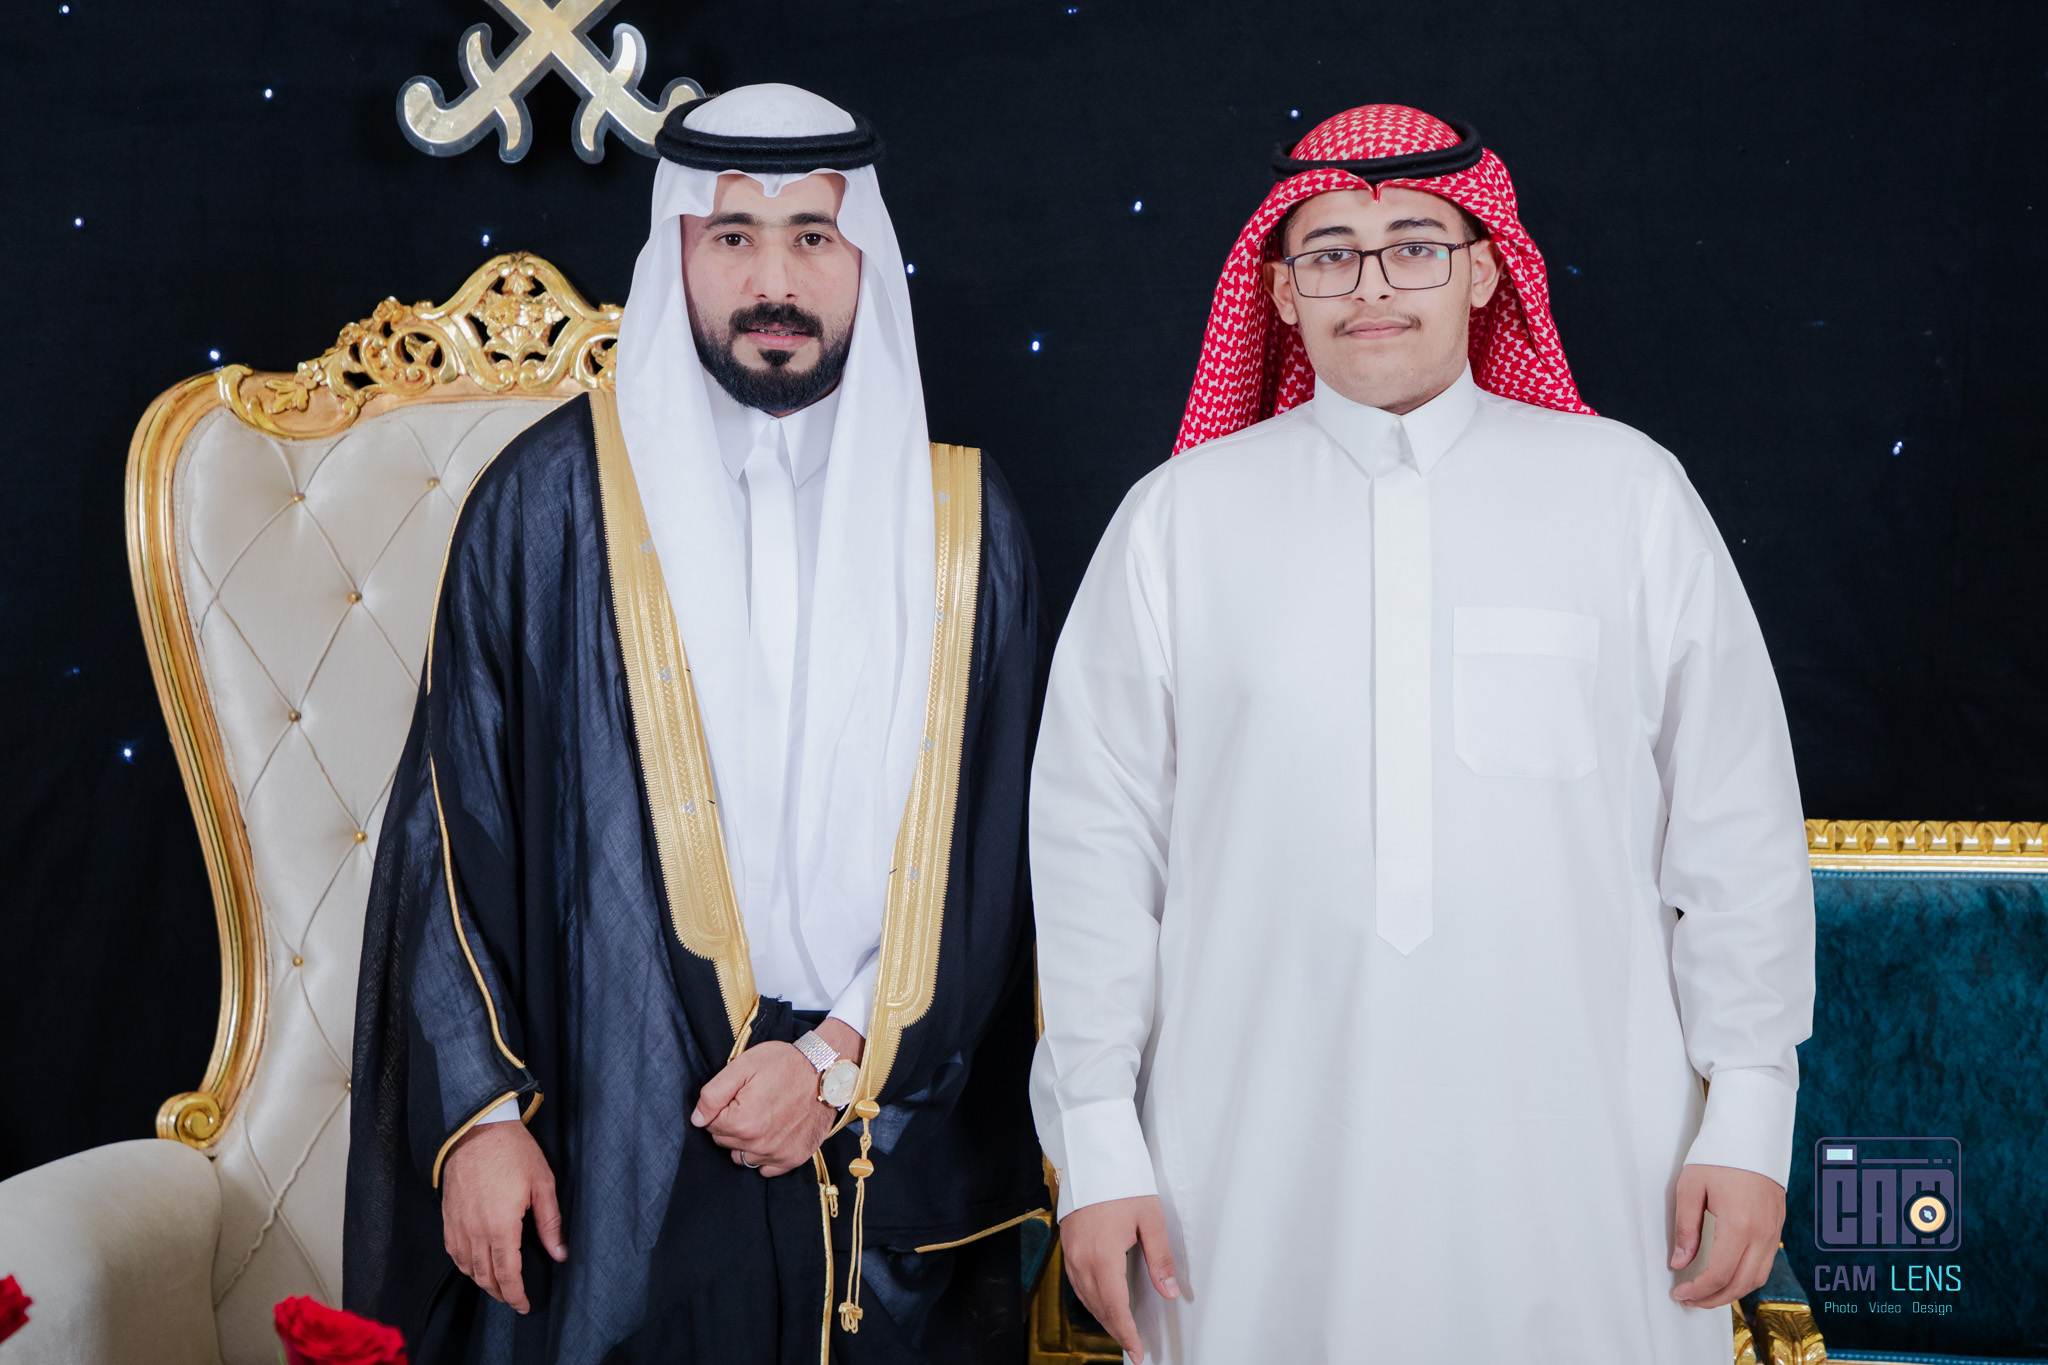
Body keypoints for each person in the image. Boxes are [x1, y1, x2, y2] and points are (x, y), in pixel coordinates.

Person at [1029, 104, 1814, 1364]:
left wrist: (1750, 1112)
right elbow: (1092, 854)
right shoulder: (1177, 522)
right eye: (1330, 254)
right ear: (1278, 292)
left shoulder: (1624, 494)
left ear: (1484, 270)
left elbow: (1734, 831)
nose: (1371, 286)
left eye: (1412, 246)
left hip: (1587, 1160)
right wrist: (1097, 1138)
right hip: (1244, 1165)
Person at [345, 83, 1044, 1365]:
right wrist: (481, 1120)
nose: (773, 279)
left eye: (811, 236)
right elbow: (451, 824)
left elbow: (991, 859)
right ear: (676, 251)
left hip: (872, 1138)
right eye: (732, 236)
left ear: (864, 256)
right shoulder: (546, 504)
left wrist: (834, 1061)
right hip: (606, 1129)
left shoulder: (960, 528)